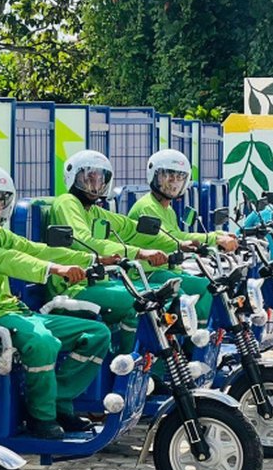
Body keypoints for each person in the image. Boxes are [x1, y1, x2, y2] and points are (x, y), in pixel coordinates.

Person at [0, 164, 112, 440]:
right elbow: (9, 260)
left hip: (12, 311)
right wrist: (54, 270)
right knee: (42, 342)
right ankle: (41, 418)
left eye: (0, 199)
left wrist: (91, 259)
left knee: (95, 333)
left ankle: (58, 402)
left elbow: (33, 249)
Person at [48, 150, 192, 351]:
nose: (95, 185)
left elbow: (130, 228)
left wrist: (177, 242)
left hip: (98, 283)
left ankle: (157, 368)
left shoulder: (95, 210)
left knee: (158, 300)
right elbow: (83, 240)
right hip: (74, 287)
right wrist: (139, 253)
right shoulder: (67, 202)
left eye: (100, 179)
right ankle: (128, 367)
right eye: (89, 178)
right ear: (74, 176)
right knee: (141, 304)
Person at [128, 149, 238, 253]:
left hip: (168, 266)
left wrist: (219, 234)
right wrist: (215, 238)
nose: (174, 182)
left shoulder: (168, 209)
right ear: (154, 175)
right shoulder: (148, 206)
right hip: (148, 270)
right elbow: (172, 237)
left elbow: (179, 236)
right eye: (168, 175)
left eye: (180, 177)